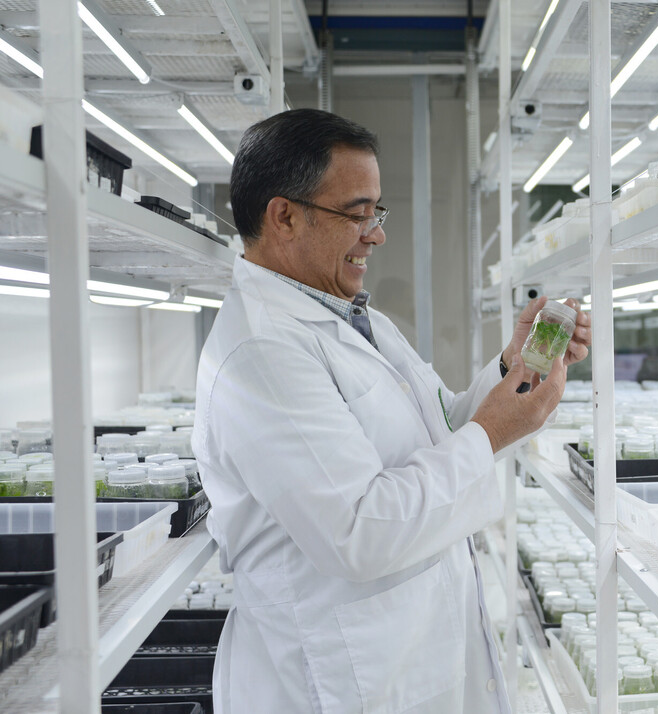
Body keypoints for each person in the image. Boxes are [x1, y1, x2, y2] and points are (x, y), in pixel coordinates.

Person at [193, 109, 591, 714]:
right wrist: (492, 435)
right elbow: (358, 532)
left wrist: (514, 369)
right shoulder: (261, 353)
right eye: (357, 214)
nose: (376, 234)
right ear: (285, 216)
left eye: (376, 213)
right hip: (330, 685)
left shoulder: (354, 318)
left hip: (398, 662)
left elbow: (440, 431)